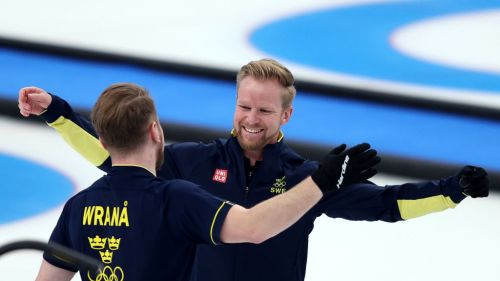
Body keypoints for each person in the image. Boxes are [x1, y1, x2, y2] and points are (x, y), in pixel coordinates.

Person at [19, 59, 490, 281]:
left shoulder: (311, 177)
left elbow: (386, 206)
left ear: (286, 116)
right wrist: (57, 112)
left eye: (264, 111)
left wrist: (451, 190)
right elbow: (117, 156)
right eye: (244, 106)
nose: (250, 118)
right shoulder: (191, 162)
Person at [31, 82, 380, 281]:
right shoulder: (177, 199)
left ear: (104, 143)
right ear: (155, 131)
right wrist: (323, 180)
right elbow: (255, 227)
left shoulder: (78, 207)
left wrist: (56, 113)